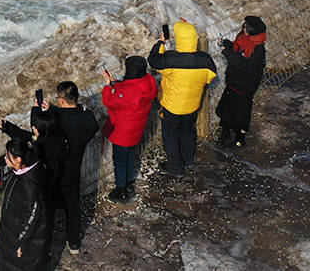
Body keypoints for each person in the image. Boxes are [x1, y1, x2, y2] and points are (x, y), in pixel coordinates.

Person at [148, 19, 216, 177]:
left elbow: (153, 61)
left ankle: (175, 167)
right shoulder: (205, 60)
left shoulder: (171, 59)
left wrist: (160, 43)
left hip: (172, 106)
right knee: (187, 131)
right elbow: (210, 76)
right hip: (192, 105)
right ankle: (188, 160)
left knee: (170, 135)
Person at [41, 81, 98, 255]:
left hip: (57, 170)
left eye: (58, 99)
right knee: (73, 207)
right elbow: (81, 117)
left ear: (63, 100)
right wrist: (54, 109)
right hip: (74, 169)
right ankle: (74, 243)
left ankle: (45, 245)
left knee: (48, 207)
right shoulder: (87, 118)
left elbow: (52, 123)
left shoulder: (60, 121)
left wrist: (47, 111)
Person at [1, 108, 69, 234]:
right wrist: (7, 127)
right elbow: (26, 136)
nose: (33, 127)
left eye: (36, 126)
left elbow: (27, 138)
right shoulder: (54, 139)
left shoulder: (46, 149)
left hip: (45, 192)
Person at [101, 55, 158, 202]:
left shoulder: (128, 91)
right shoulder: (148, 81)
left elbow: (109, 101)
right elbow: (130, 89)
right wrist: (117, 83)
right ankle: (129, 183)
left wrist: (108, 85)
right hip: (136, 130)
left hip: (122, 134)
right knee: (130, 157)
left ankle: (121, 191)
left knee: (120, 160)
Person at [0, 138, 51, 271]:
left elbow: (33, 214)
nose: (5, 158)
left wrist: (22, 242)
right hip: (10, 231)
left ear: (18, 159)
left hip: (19, 239)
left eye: (8, 156)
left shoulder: (30, 183)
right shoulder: (23, 171)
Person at [215, 16, 267, 149]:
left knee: (241, 112)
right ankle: (225, 132)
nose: (244, 28)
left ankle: (240, 139)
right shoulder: (244, 38)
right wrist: (226, 44)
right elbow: (237, 49)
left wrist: (226, 52)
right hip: (234, 81)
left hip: (245, 86)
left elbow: (244, 65)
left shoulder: (258, 49)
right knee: (228, 107)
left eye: (246, 27)